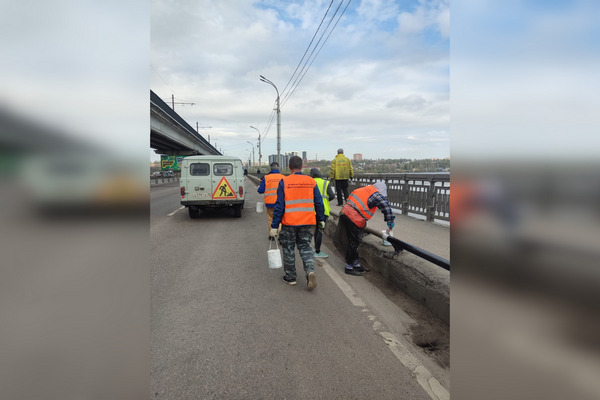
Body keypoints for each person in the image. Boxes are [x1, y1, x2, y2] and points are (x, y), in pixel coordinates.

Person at [270, 156, 325, 291]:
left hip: (289, 223)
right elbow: (318, 202)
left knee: (288, 249)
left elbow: (279, 206)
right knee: (306, 248)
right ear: (301, 166)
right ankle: (310, 271)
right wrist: (321, 219)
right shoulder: (311, 181)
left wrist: (274, 226)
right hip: (306, 222)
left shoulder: (285, 182)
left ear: (289, 167)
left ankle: (291, 278)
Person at [339, 181, 395, 276]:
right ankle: (348, 267)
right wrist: (390, 220)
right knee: (353, 243)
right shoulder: (375, 195)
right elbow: (385, 205)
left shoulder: (362, 190)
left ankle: (356, 264)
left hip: (345, 213)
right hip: (353, 218)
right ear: (380, 191)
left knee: (354, 242)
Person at [309, 168, 335, 258]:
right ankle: (317, 251)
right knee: (320, 230)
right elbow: (332, 196)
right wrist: (326, 200)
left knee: (315, 230)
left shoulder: (310, 182)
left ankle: (313, 248)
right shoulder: (325, 183)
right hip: (323, 210)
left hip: (312, 210)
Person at [257, 162, 285, 240]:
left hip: (270, 203)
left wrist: (259, 187)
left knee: (270, 219)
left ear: (271, 168)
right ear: (278, 168)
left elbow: (260, 190)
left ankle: (272, 235)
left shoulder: (266, 178)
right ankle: (280, 236)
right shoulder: (283, 177)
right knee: (281, 219)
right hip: (281, 203)